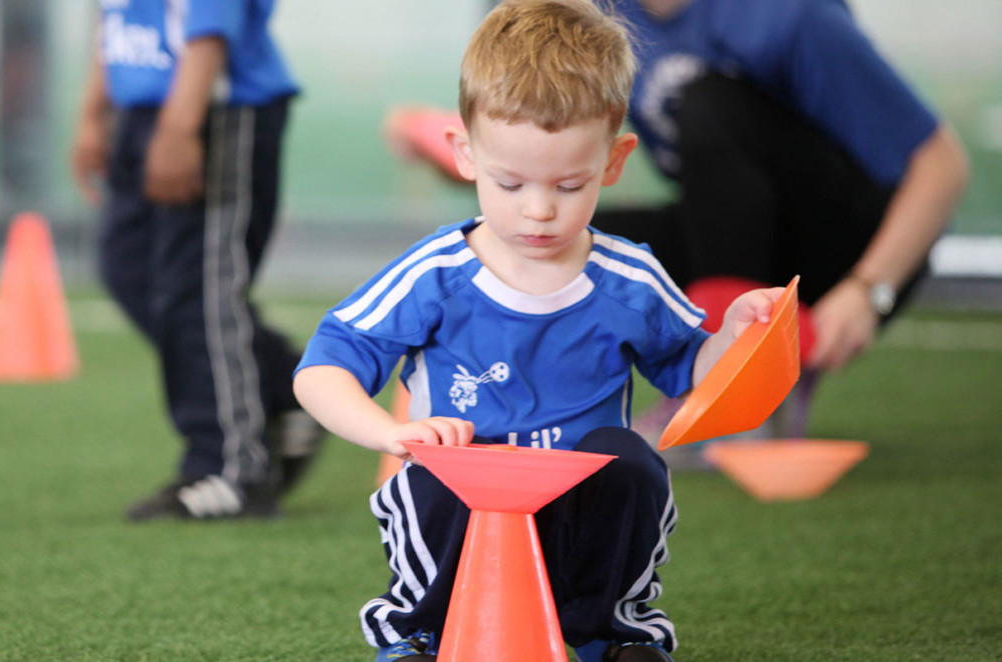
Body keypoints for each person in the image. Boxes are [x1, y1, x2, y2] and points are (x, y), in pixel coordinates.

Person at [294, 2, 783, 659]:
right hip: (463, 499)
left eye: (569, 183)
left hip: (579, 507)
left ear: (614, 161)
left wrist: (738, 335)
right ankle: (420, 636)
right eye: (509, 181)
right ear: (465, 154)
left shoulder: (630, 277)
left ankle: (609, 635)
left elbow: (692, 368)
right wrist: (393, 433)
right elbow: (323, 368)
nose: (539, 209)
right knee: (432, 473)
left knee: (632, 459)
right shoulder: (435, 274)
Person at [385, 0, 970, 443]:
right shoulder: (596, 18)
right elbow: (543, 173)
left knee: (710, 103)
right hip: (731, 230)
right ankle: (550, 414)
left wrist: (869, 291)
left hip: (852, 250)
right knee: (560, 243)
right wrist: (452, 153)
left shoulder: (786, 16)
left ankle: (726, 389)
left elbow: (941, 166)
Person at [70, 0, 323, 522]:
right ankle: (288, 384)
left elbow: (210, 23)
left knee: (198, 291)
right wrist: (93, 112)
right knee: (129, 271)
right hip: (140, 111)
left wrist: (181, 127)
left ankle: (230, 471)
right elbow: (112, 17)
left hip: (213, 108)